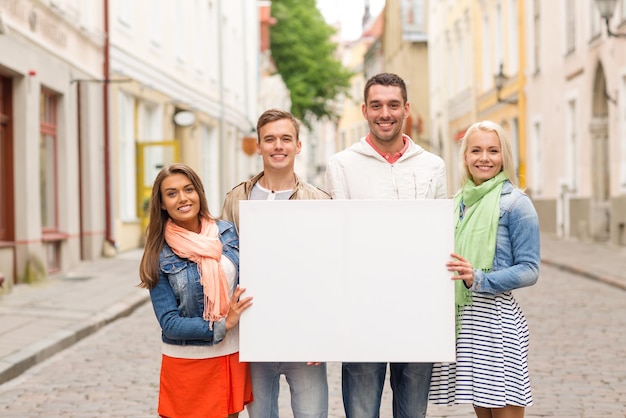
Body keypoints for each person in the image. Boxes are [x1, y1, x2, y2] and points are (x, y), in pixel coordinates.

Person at [325, 72, 448, 418]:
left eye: (393, 105)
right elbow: (337, 241)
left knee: (412, 412)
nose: (385, 113)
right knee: (362, 411)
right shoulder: (343, 164)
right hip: (363, 310)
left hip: (418, 308)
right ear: (364, 110)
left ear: (406, 108)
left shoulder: (432, 165)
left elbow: (442, 236)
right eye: (377, 105)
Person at [221, 108, 330, 418]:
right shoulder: (236, 199)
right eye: (269, 139)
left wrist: (323, 333)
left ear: (298, 145)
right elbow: (224, 263)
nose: (277, 146)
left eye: (285, 139)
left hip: (304, 334)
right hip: (254, 333)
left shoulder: (319, 201)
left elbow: (328, 272)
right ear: (258, 146)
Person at [428, 120, 540, 418]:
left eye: (493, 150)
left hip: (498, 324)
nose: (484, 158)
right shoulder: (456, 204)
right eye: (476, 150)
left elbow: (530, 269)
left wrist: (479, 278)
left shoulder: (516, 204)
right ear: (465, 156)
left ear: (504, 156)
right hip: (468, 323)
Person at [139, 163, 253, 418]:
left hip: (229, 355)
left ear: (198, 192)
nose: (182, 198)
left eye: (188, 189)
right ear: (161, 203)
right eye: (172, 193)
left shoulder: (226, 233)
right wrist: (223, 323)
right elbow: (169, 323)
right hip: (188, 362)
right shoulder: (158, 254)